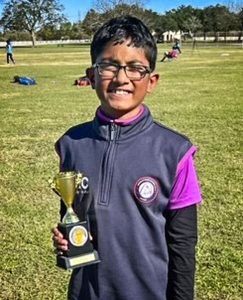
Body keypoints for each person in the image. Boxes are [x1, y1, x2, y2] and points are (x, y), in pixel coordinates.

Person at [52, 15, 202, 300]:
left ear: (152, 80)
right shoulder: (70, 144)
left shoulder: (175, 151)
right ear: (92, 75)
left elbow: (183, 244)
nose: (122, 78)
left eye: (136, 69)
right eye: (109, 65)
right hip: (87, 293)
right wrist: (66, 241)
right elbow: (72, 218)